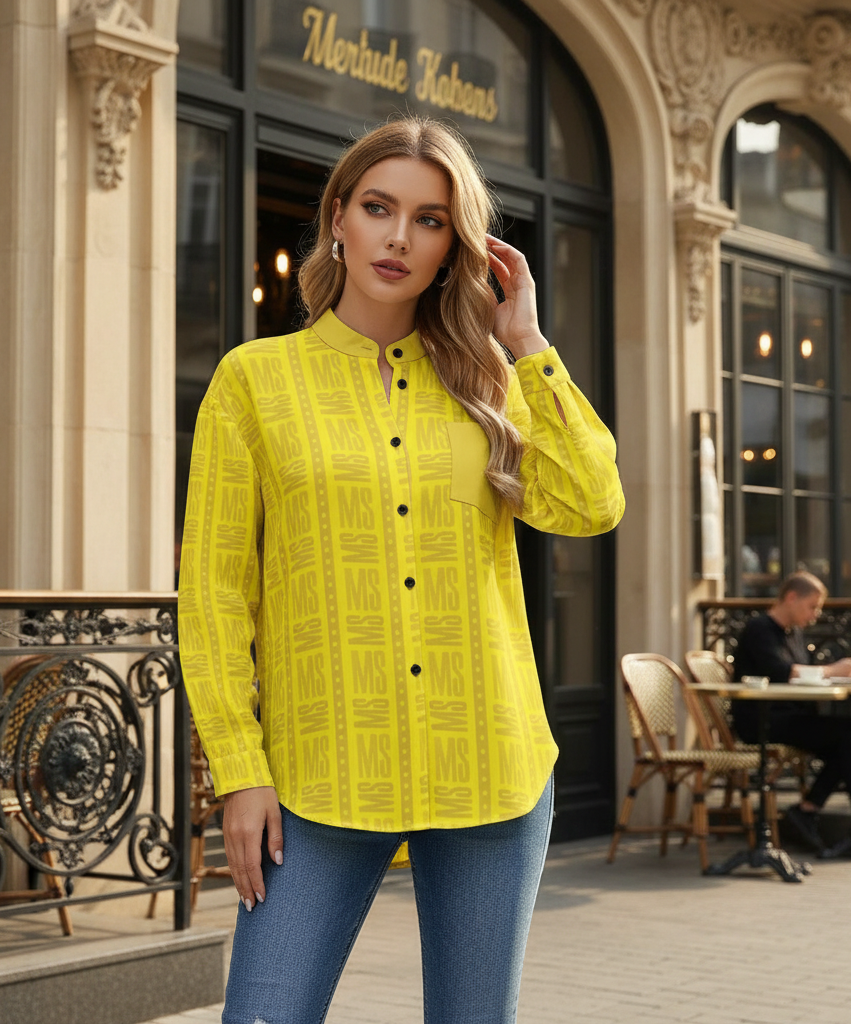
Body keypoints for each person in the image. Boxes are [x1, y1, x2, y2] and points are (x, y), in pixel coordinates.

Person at [178, 116, 625, 1024]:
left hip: (489, 767)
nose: (398, 238)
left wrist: (528, 344)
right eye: (379, 208)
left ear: (453, 244)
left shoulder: (490, 382)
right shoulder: (253, 382)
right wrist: (238, 769)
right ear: (337, 218)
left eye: (429, 220)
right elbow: (216, 596)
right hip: (316, 778)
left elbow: (590, 503)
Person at [731, 571, 851, 861]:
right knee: (848, 737)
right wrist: (832, 671)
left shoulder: (794, 633)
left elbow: (804, 676)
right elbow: (782, 673)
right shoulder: (759, 629)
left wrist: (840, 677)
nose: (816, 614)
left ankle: (814, 813)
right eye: (812, 606)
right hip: (762, 722)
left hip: (791, 717)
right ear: (791, 597)